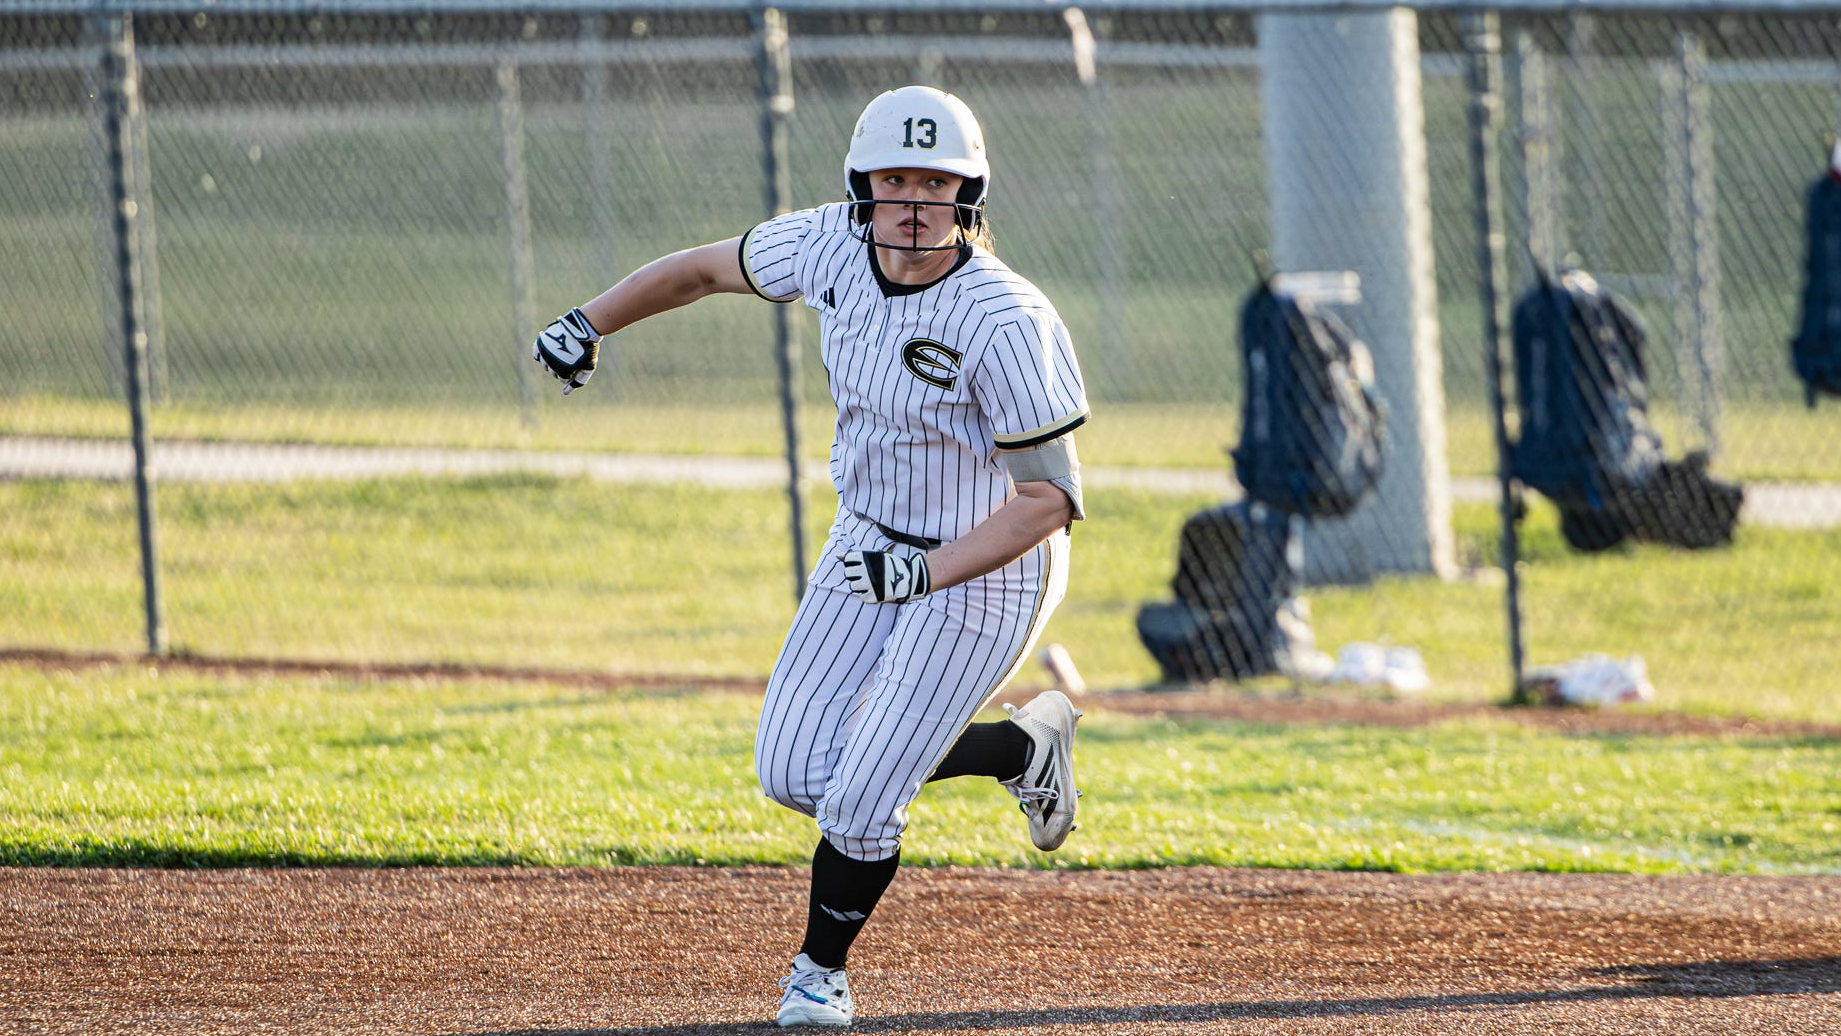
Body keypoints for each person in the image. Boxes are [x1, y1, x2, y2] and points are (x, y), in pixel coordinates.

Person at [531, 85, 1090, 1028]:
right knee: (792, 771)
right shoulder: (827, 241)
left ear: (970, 195)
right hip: (865, 535)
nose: (913, 200)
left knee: (864, 797)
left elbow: (1051, 500)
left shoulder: (1004, 317)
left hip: (986, 566)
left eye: (936, 182)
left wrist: (929, 572)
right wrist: (590, 320)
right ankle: (1016, 744)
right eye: (894, 178)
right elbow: (704, 271)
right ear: (860, 185)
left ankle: (818, 976)